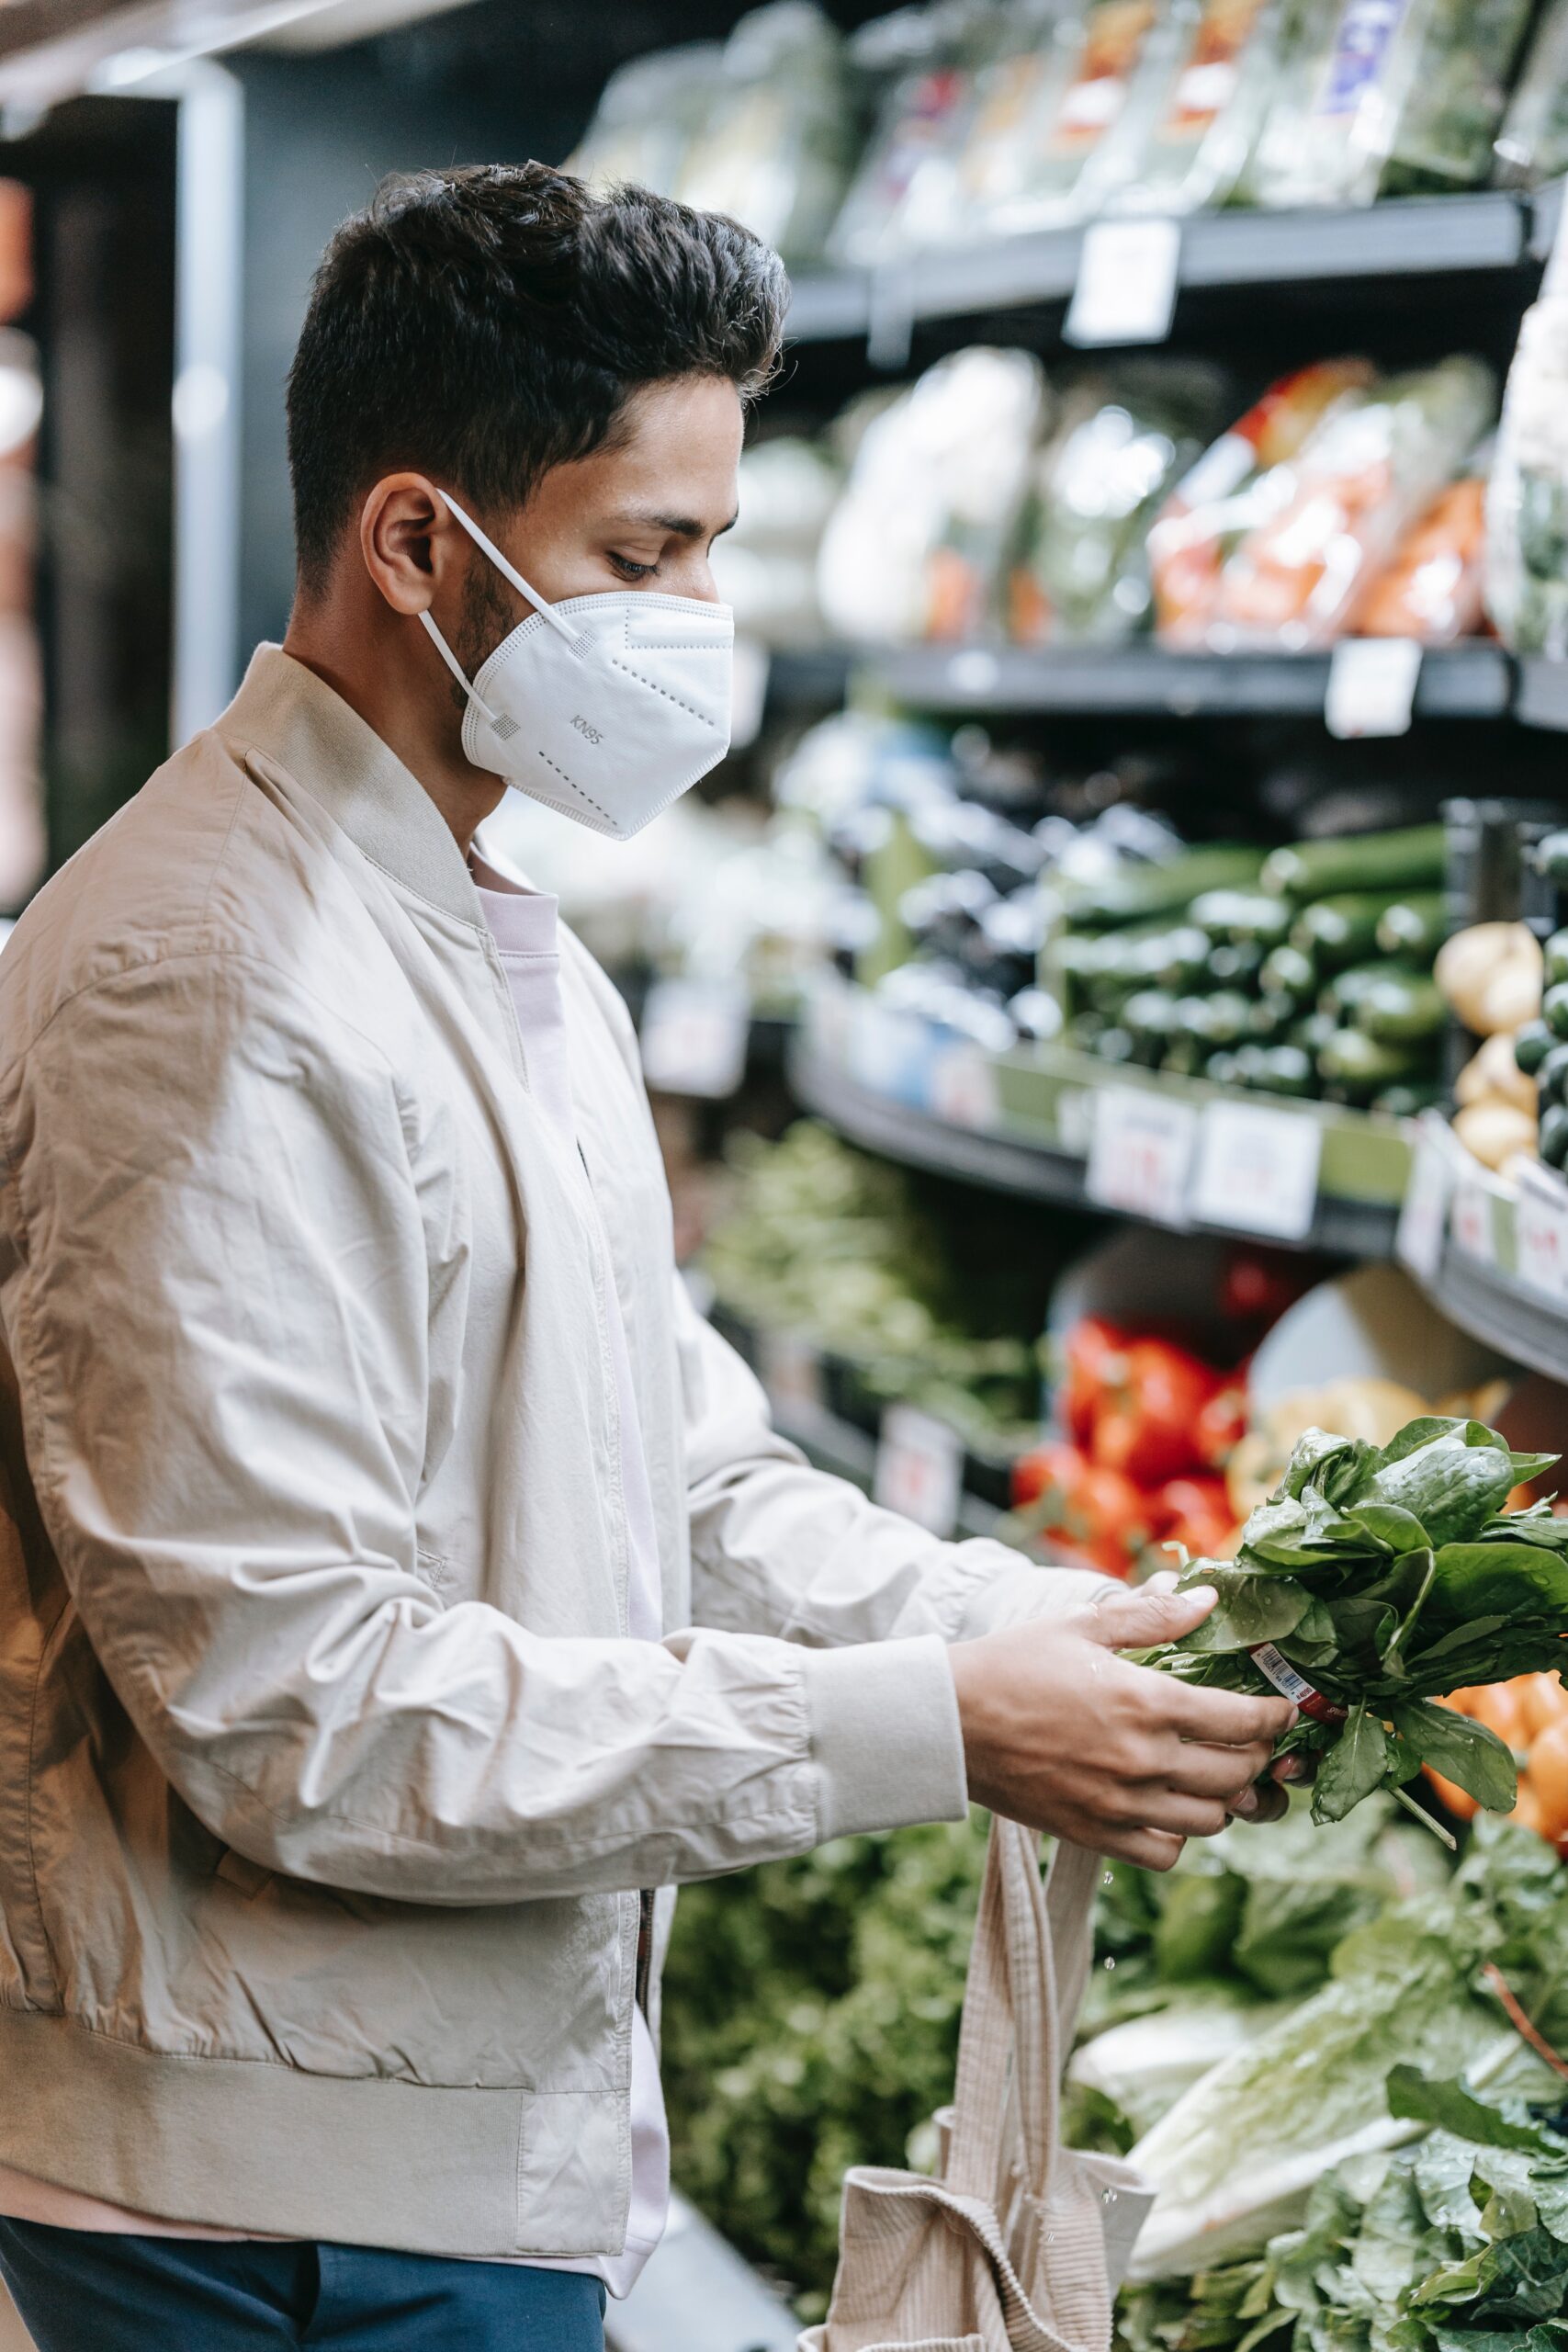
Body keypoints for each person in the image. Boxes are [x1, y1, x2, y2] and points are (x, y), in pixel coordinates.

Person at [0, 164, 1293, 2352]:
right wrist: (929, 1722)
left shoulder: (500, 933)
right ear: (415, 541)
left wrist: (1031, 1616)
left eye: (712, 546)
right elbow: (294, 1699)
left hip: (460, 2129)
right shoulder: (203, 984)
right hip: (267, 2208)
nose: (697, 619)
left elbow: (667, 1475)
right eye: (642, 555)